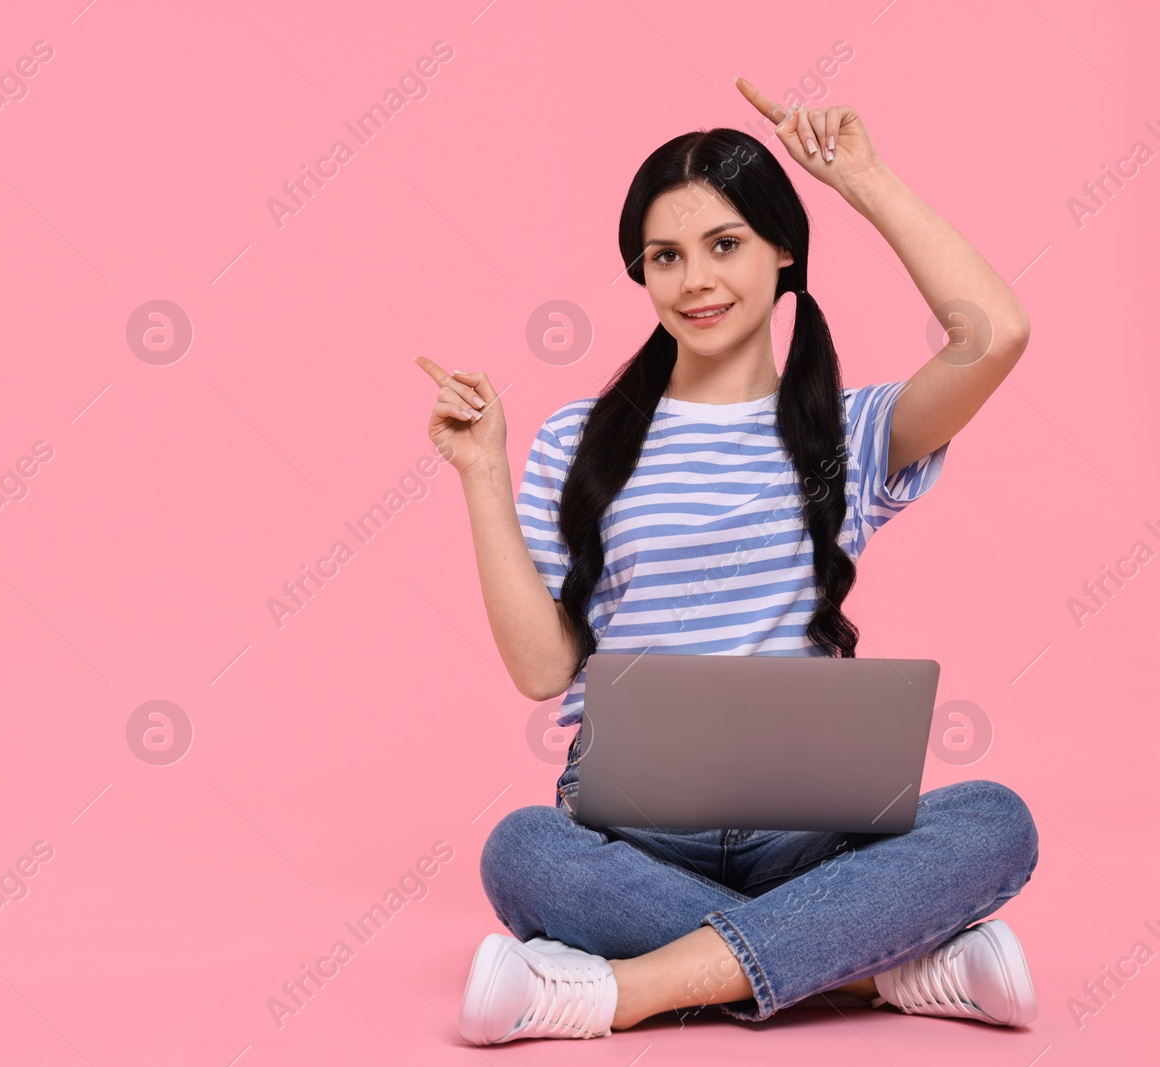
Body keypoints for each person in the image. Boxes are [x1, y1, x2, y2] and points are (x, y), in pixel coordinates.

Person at [413, 77, 1040, 1044]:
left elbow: (994, 334)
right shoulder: (580, 439)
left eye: (725, 244)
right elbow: (543, 670)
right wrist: (482, 475)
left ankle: (618, 992)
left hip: (812, 832)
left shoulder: (848, 433)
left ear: (782, 250)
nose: (695, 279)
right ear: (642, 273)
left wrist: (861, 180)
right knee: (522, 851)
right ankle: (880, 967)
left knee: (995, 817)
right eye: (666, 256)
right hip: (635, 832)